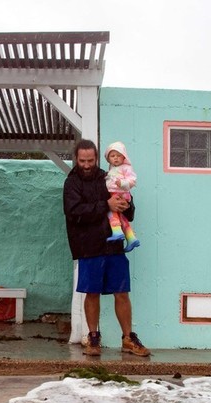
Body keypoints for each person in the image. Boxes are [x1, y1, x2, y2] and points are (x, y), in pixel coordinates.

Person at [62, 139, 150, 357]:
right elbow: (74, 212)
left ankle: (128, 338)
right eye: (82, 160)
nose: (86, 164)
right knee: (92, 294)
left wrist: (125, 204)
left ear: (96, 157)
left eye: (90, 160)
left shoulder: (108, 175)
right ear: (76, 158)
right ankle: (93, 338)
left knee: (122, 292)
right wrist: (106, 205)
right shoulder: (71, 182)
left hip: (114, 245)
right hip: (88, 246)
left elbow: (128, 208)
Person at [104, 141, 140, 252]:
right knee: (123, 218)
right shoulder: (111, 169)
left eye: (118, 156)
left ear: (124, 157)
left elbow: (132, 180)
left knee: (111, 212)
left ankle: (117, 231)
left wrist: (123, 183)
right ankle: (131, 238)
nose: (115, 158)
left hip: (119, 194)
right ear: (108, 158)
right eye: (112, 156)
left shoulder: (126, 167)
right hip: (116, 193)